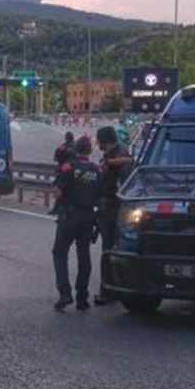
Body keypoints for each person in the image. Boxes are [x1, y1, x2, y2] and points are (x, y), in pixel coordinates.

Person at [51, 136, 101, 311]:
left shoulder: (68, 167)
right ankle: (82, 297)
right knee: (84, 255)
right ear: (90, 151)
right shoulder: (96, 170)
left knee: (59, 252)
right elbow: (100, 196)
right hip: (88, 216)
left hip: (69, 216)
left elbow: (57, 191)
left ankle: (65, 293)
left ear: (76, 150)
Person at [90, 125, 133, 306]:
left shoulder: (119, 156)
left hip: (113, 209)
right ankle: (113, 289)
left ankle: (109, 291)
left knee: (109, 250)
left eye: (99, 140)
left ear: (104, 140)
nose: (97, 143)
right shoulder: (114, 155)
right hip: (109, 208)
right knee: (111, 249)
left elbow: (124, 183)